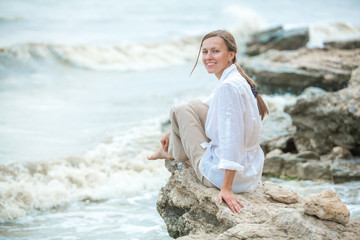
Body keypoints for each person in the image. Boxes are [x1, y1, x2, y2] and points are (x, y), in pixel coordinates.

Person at [148, 30, 269, 214]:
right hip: (249, 172)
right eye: (205, 52)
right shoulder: (235, 78)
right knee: (191, 105)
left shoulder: (228, 87)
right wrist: (173, 129)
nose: (208, 57)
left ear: (231, 54)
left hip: (223, 178)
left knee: (179, 109)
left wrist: (226, 188)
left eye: (215, 51)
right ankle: (171, 145)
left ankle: (171, 152)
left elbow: (232, 140)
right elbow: (204, 105)